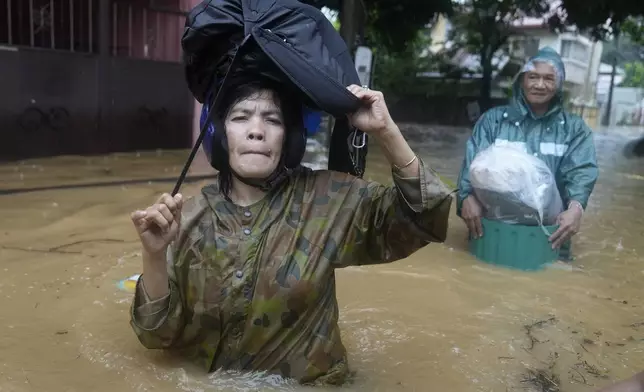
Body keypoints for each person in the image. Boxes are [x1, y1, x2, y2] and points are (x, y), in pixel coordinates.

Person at [128, 77, 453, 385]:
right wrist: (154, 255)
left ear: (291, 136)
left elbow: (426, 217)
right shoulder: (186, 217)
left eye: (272, 120)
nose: (257, 131)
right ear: (218, 133)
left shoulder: (329, 199)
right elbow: (156, 336)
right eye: (241, 117)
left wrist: (387, 132)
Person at [456, 47, 598, 260]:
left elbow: (581, 173)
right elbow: (472, 164)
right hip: (491, 231)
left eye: (549, 79)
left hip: (550, 235)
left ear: (559, 84)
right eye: (533, 77)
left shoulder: (575, 129)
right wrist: (465, 197)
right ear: (521, 80)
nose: (540, 85)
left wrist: (576, 209)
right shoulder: (494, 120)